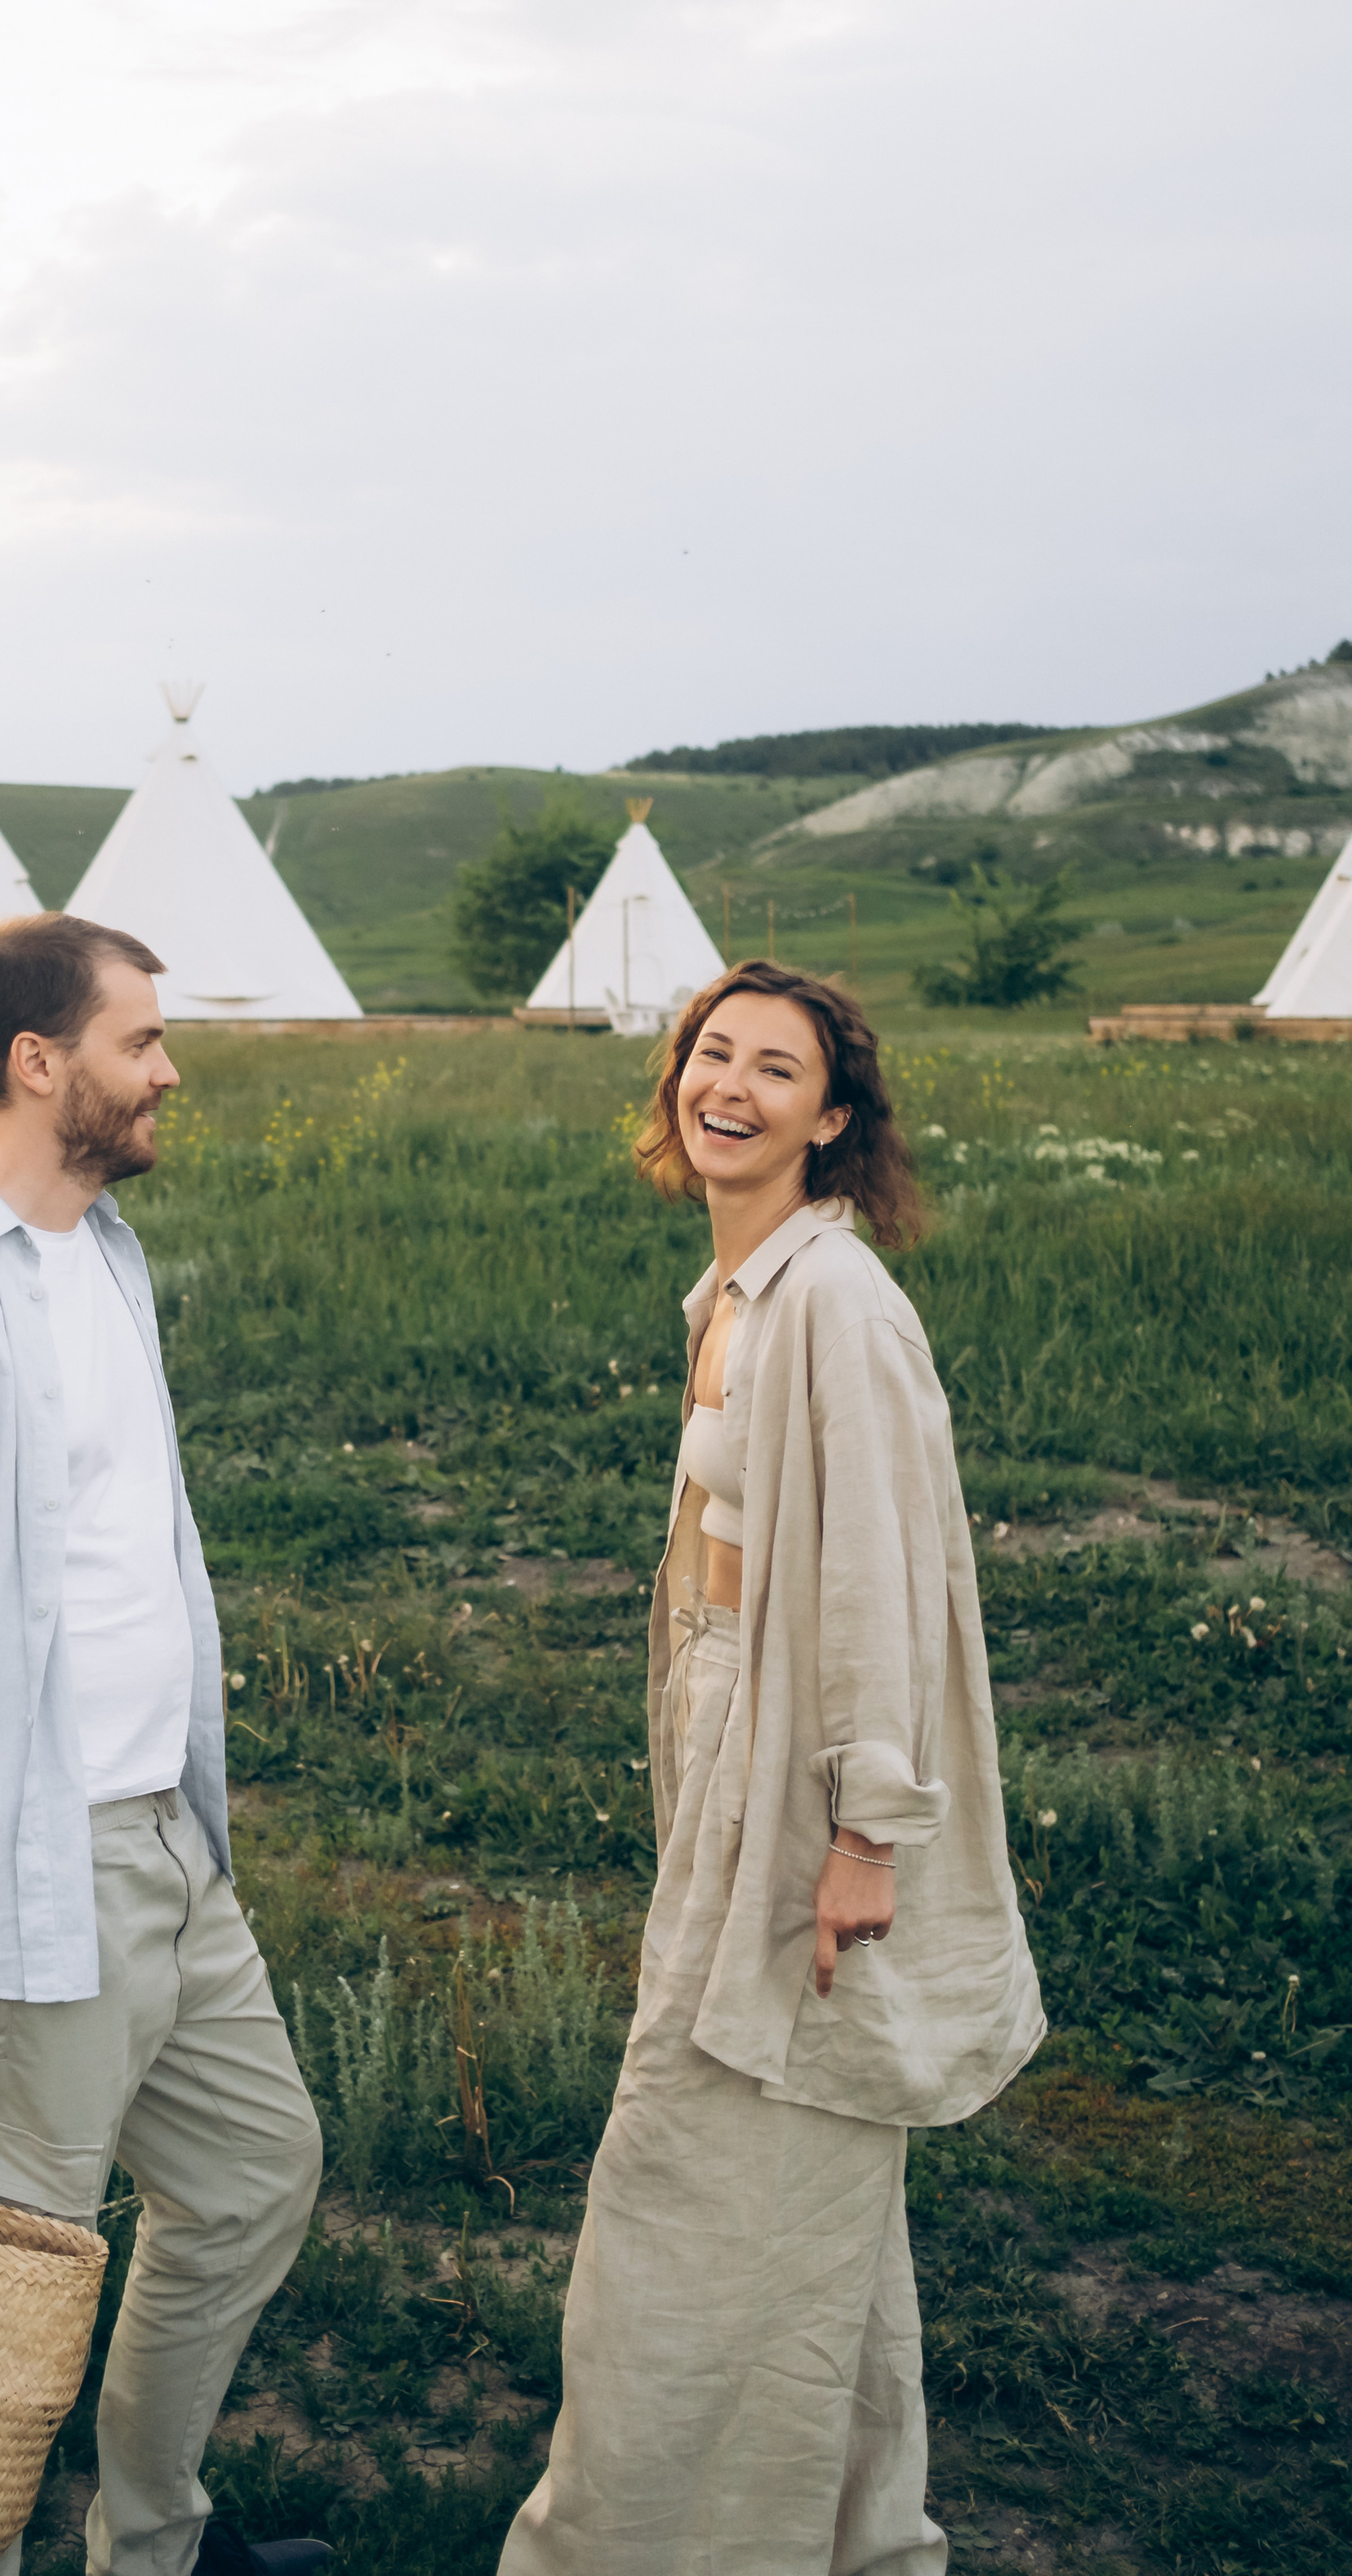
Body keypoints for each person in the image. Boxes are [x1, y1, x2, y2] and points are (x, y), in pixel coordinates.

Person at [498, 961, 1045, 2576]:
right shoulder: (740, 1286)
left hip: (802, 1792)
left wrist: (864, 1835)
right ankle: (850, 2528)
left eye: (772, 1067)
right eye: (707, 1053)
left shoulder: (835, 1307)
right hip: (735, 1752)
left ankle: (632, 2541)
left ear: (834, 1115)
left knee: (686, 2172)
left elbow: (876, 1584)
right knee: (812, 2186)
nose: (725, 1084)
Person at [0, 913, 326, 2576]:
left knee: (252, 2177)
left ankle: (148, 2544)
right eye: (141, 1041)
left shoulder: (102, 1256)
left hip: (162, 1841)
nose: (169, 1071)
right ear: (43, 1065)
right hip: (29, 1881)